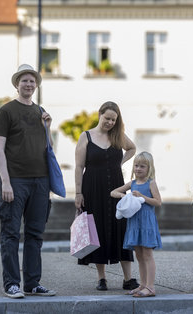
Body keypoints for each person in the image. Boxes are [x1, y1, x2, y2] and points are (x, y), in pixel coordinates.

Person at [0, 64, 56, 298]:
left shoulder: (40, 111)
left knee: (35, 234)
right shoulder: (6, 111)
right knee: (10, 233)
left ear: (36, 85)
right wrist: (6, 182)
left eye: (32, 81)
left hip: (40, 181)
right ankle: (11, 284)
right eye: (24, 80)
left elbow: (47, 147)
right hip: (15, 181)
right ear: (17, 84)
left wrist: (47, 127)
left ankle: (32, 283)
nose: (28, 84)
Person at [74, 101, 139, 291]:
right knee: (97, 229)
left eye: (113, 119)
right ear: (99, 114)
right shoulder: (86, 137)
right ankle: (101, 278)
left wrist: (120, 161)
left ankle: (128, 278)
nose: (110, 122)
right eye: (107, 118)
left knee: (121, 228)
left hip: (117, 188)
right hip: (92, 187)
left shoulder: (117, 136)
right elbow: (78, 167)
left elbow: (132, 148)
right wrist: (78, 193)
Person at [111, 151, 162, 297]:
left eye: (142, 166)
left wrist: (142, 197)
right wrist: (125, 196)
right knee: (139, 255)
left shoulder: (151, 183)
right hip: (134, 222)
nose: (138, 169)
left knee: (147, 254)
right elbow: (113, 192)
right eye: (136, 165)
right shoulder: (132, 184)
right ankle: (143, 284)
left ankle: (151, 287)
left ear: (149, 168)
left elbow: (158, 202)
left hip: (146, 222)